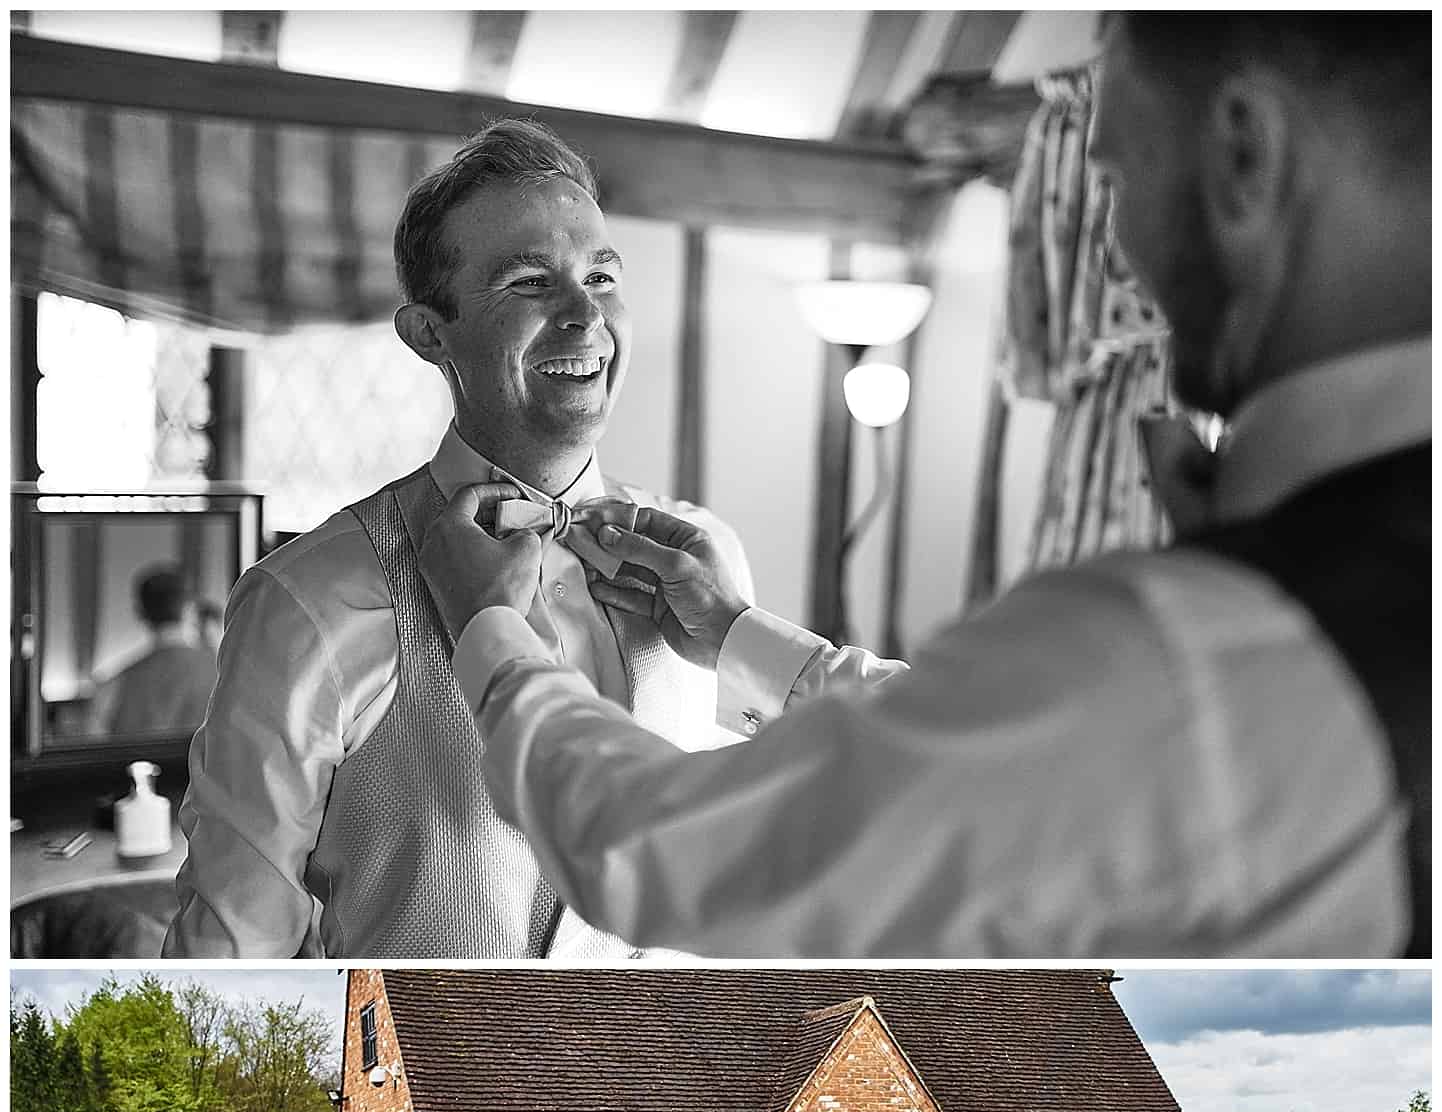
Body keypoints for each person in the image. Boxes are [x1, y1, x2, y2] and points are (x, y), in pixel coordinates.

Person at [424, 14, 1428, 959]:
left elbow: (673, 850)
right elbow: (1016, 755)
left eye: (1118, 182)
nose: (1117, 250)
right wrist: (741, 636)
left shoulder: (1184, 650)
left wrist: (492, 634)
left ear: (1243, 156)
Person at [165, 116, 750, 959]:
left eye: (602, 277)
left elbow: (749, 856)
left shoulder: (707, 562)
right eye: (528, 283)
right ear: (429, 334)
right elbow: (227, 958)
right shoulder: (308, 598)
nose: (586, 316)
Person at [92, 566, 216, 740]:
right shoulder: (225, 673)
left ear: (140, 613)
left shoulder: (113, 686)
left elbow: (97, 751)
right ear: (190, 609)